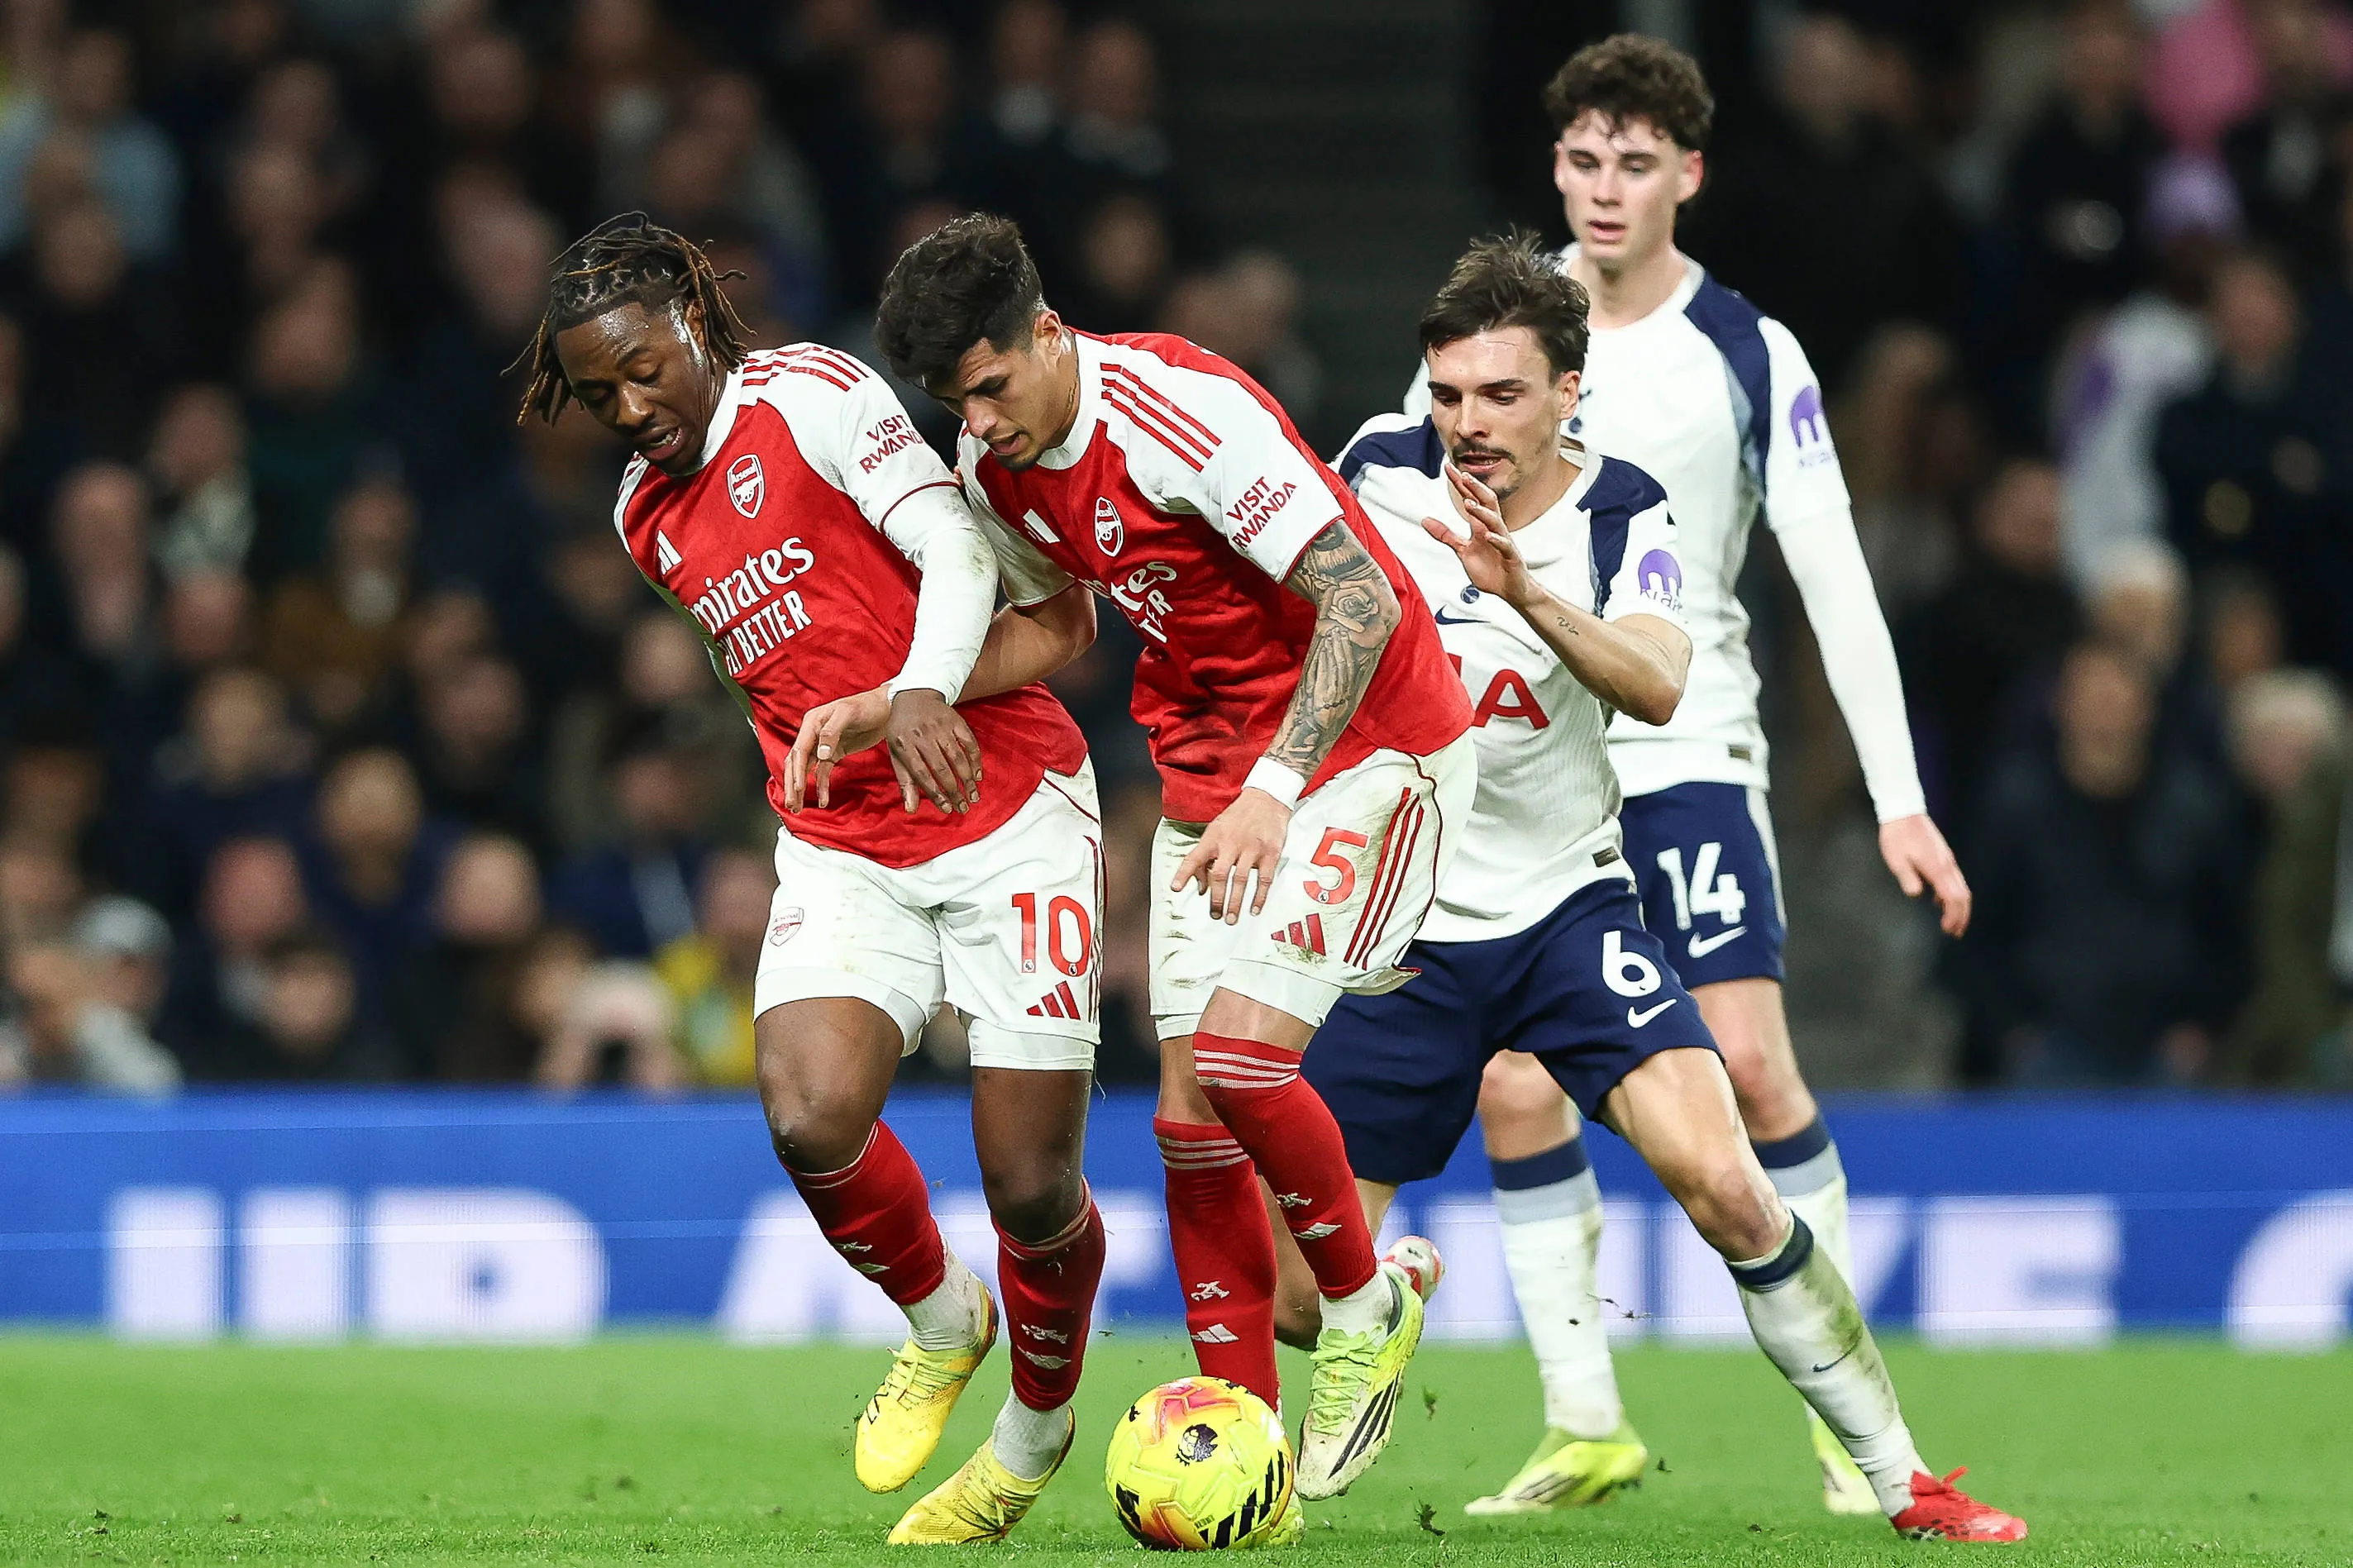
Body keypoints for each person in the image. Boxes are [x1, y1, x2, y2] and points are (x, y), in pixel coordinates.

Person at [1296, 236, 2024, 1544]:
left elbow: (1655, 680)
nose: (1466, 426)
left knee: (1727, 1181)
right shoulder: (1376, 471)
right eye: (1449, 395)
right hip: (1403, 930)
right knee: (1302, 1303)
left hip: (1568, 916)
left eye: (1500, 396)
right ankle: (1394, 1299)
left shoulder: (1622, 510)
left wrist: (1519, 595)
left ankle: (1903, 1477)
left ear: (1567, 393)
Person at [1398, 36, 1975, 1518]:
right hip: (1525, 753)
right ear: (1555, 168)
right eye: (1582, 160)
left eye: (1635, 162)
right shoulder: (1492, 333)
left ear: (1688, 176)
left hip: (1686, 742)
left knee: (1751, 1061)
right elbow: (1399, 544)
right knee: (1519, 1084)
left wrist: (1899, 795)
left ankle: (1850, 1435)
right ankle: (1584, 1423)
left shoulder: (1745, 350)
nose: (1603, 188)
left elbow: (1830, 575)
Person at [517, 214, 1106, 1545]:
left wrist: (915, 692)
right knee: (805, 1114)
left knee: (1029, 1184)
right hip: (845, 836)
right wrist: (812, 752)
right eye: (598, 391)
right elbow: (770, 663)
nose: (628, 406)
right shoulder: (640, 518)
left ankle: (1036, 1428)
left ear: (693, 325)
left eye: (641, 369)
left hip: (1005, 804)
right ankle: (944, 1323)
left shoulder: (817, 397)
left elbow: (956, 553)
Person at [873, 213, 1477, 1505]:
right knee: (1187, 1127)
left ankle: (1365, 1315)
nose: (974, 425)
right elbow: (1066, 620)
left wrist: (1273, 789)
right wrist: (906, 697)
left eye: (987, 388)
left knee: (1248, 1062)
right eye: (950, 404)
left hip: (1366, 745)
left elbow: (1361, 598)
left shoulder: (1182, 416)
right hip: (1215, 770)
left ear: (1046, 333)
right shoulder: (998, 471)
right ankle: (1237, 1449)